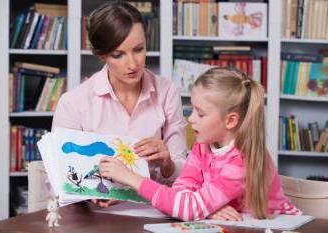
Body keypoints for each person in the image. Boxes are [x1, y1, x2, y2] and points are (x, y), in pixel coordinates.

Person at [98, 67, 302, 221]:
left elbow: (187, 208)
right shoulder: (202, 146)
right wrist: (205, 209)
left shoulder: (241, 161)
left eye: (201, 113)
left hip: (281, 227)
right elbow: (181, 191)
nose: (191, 119)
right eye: (192, 110)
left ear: (230, 120)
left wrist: (129, 178)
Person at [52, 2, 187, 207]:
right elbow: (61, 181)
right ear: (101, 55)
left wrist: (167, 163)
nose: (132, 64)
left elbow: (185, 178)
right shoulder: (73, 103)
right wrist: (94, 193)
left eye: (139, 50)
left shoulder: (166, 92)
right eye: (118, 55)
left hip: (156, 212)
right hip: (98, 218)